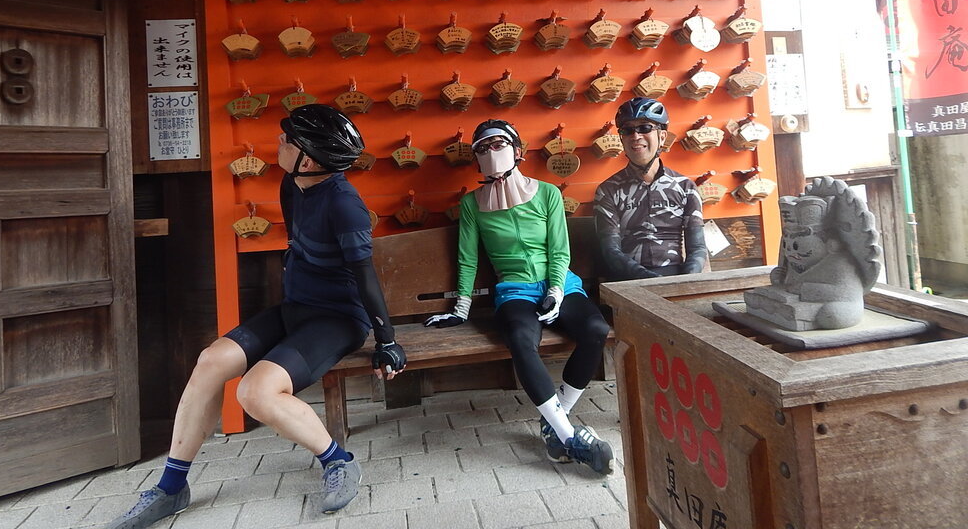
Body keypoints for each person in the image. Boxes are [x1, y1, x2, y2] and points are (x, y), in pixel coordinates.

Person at [107, 104, 407, 528]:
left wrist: (387, 340)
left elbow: (365, 275)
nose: (279, 142)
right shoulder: (292, 184)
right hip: (294, 309)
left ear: (309, 160)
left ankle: (339, 461)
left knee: (254, 393)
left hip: (337, 319)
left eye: (288, 140)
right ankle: (171, 487)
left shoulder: (345, 205)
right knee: (211, 361)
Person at [424, 119, 614, 474]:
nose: (490, 152)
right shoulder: (472, 204)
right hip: (514, 290)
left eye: (498, 144)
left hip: (561, 283)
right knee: (521, 339)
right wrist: (461, 308)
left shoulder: (548, 193)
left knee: (596, 329)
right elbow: (467, 258)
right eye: (482, 148)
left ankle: (556, 419)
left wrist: (556, 290)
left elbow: (559, 249)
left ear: (517, 150)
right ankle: (569, 436)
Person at [593, 97, 707, 280]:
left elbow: (698, 248)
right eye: (627, 130)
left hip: (676, 278)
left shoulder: (686, 187)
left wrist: (684, 282)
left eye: (645, 128)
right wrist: (652, 282)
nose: (635, 136)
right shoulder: (608, 191)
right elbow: (611, 251)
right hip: (628, 281)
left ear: (662, 137)